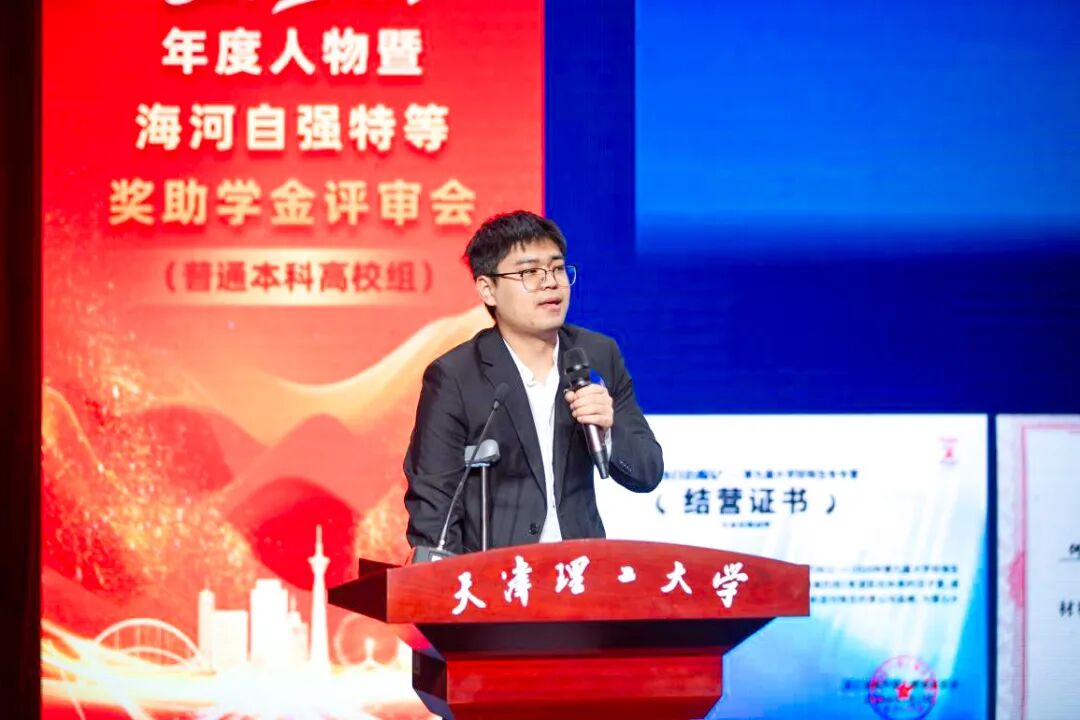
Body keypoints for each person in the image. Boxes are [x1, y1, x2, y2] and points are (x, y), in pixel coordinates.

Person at [403, 210, 663, 554]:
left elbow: (648, 472)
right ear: (488, 290)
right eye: (529, 272)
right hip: (496, 574)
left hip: (580, 569)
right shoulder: (454, 376)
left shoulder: (598, 354)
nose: (550, 283)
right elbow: (434, 507)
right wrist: (456, 582)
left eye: (557, 269)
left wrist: (608, 432)